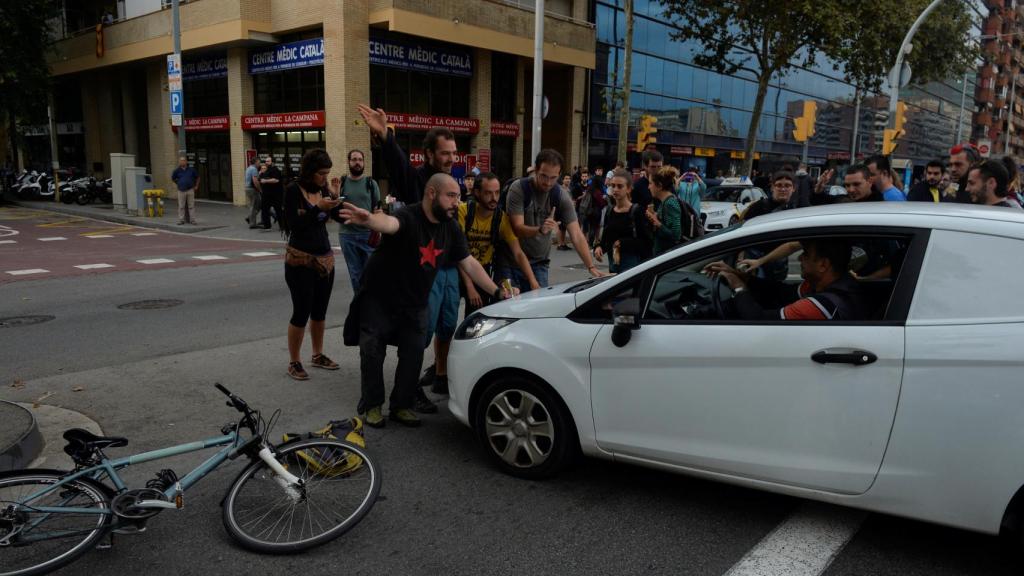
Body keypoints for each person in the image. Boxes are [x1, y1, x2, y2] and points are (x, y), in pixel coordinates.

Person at [340, 173, 514, 428]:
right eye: (451, 196)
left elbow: (469, 263)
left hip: (415, 301)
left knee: (413, 353)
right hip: (379, 297)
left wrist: (497, 292)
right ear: (432, 193)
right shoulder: (408, 216)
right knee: (372, 352)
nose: (456, 202)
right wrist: (370, 221)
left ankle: (401, 405)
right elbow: (390, 224)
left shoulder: (450, 227)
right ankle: (372, 405)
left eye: (458, 196)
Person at [356, 104, 464, 410]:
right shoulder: (418, 182)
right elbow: (399, 167)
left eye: (454, 153)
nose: (451, 159)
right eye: (444, 153)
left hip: (447, 267)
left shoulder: (452, 185)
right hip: (420, 274)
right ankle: (402, 392)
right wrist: (385, 138)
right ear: (428, 154)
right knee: (416, 336)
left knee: (442, 328)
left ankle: (429, 377)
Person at [281, 149, 343, 381]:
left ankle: (317, 354)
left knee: (319, 311)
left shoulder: (323, 190)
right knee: (301, 311)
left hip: (325, 259)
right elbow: (294, 225)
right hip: (300, 259)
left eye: (327, 173)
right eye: (321, 173)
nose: (325, 178)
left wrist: (336, 199)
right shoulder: (292, 190)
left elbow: (337, 217)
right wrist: (318, 208)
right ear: (309, 171)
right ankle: (294, 361)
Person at [506, 149, 605, 288]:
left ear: (559, 174)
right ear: (535, 170)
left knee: (540, 301)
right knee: (509, 301)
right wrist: (540, 230)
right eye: (544, 176)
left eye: (553, 178)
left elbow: (576, 234)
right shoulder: (519, 189)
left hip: (539, 263)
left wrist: (591, 266)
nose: (548, 182)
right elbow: (517, 228)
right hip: (511, 263)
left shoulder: (560, 195)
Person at [705, 238, 869, 321]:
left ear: (823, 265)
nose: (799, 259)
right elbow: (781, 292)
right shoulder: (837, 284)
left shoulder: (819, 305)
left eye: (805, 255)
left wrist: (738, 287)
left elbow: (758, 320)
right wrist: (741, 276)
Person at [459, 172, 539, 317]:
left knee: (478, 318)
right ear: (477, 192)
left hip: (481, 272)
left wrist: (533, 281)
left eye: (497, 192)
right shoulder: (463, 212)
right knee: (448, 320)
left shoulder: (501, 218)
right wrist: (469, 287)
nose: (494, 198)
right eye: (488, 193)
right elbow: (458, 254)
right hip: (459, 269)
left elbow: (518, 253)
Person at [338, 149, 381, 292]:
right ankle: (360, 301)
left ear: (364, 163)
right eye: (354, 159)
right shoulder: (342, 182)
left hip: (367, 235)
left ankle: (368, 300)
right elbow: (335, 207)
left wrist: (378, 228)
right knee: (355, 274)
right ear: (349, 162)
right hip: (347, 235)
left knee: (370, 273)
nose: (357, 163)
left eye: (360, 160)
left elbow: (377, 209)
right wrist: (333, 193)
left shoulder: (371, 183)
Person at [593, 169, 650, 273]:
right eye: (613, 186)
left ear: (628, 189)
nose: (615, 189)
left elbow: (645, 242)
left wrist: (623, 243)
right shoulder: (610, 211)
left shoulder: (636, 211)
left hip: (632, 268)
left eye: (620, 186)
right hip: (614, 266)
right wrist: (599, 248)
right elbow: (606, 239)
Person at [646, 166, 684, 256]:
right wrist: (654, 216)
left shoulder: (670, 203)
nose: (648, 187)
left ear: (659, 186)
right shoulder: (665, 201)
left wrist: (657, 222)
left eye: (650, 183)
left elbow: (676, 235)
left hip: (666, 255)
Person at [170, 156, 199, 225]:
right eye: (180, 161)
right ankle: (181, 220)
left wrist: (196, 186)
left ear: (186, 162)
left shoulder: (191, 170)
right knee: (181, 206)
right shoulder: (177, 170)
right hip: (181, 190)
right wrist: (179, 183)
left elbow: (198, 177)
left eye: (183, 161)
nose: (182, 162)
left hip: (190, 190)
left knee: (191, 206)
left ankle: (192, 220)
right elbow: (173, 178)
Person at [259, 156, 284, 230]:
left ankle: (282, 226)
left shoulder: (275, 170)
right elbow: (260, 179)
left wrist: (266, 181)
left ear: (272, 162)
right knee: (264, 209)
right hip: (266, 194)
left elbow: (276, 180)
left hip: (275, 194)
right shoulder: (266, 170)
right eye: (266, 161)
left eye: (268, 161)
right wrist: (260, 174)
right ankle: (267, 226)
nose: (266, 163)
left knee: (278, 210)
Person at [244, 155, 262, 228]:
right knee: (254, 206)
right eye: (259, 162)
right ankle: (252, 224)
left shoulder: (248, 168)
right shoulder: (254, 169)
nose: (259, 164)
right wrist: (260, 189)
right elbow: (255, 181)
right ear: (255, 162)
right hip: (252, 189)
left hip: (248, 188)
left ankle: (249, 218)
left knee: (258, 204)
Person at [556, 174, 573, 250]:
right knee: (560, 228)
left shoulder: (569, 189)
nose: (568, 180)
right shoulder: (560, 189)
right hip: (560, 210)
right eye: (566, 178)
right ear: (563, 180)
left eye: (569, 178)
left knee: (564, 228)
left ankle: (563, 243)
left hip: (567, 211)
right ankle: (559, 244)